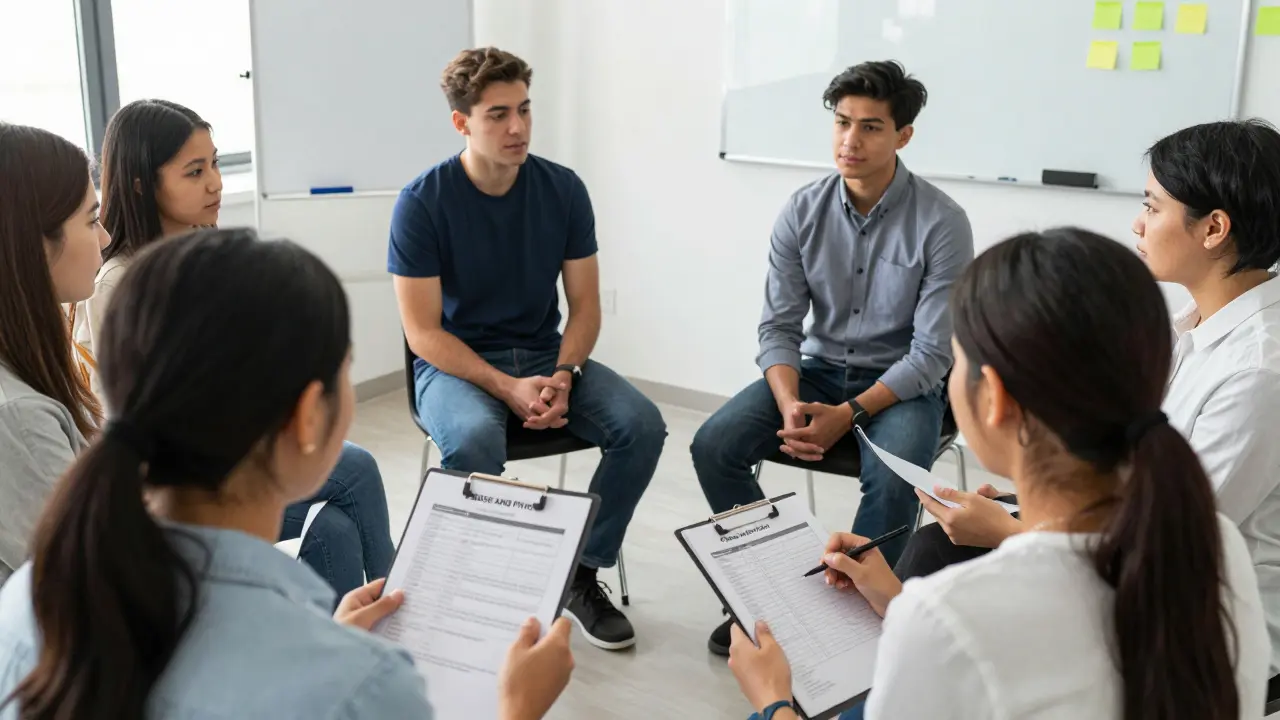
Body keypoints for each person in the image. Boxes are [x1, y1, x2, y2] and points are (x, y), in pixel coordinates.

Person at [0, 229, 576, 719]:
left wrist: (331, 648)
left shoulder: (29, 599)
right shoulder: (363, 691)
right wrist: (517, 710)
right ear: (306, 418)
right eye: (345, 370)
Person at [727, 228, 1269, 719]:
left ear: (996, 399)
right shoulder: (1212, 544)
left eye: (956, 360)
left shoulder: (953, 614)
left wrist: (773, 702)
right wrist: (896, 600)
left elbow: (975, 644)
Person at [895, 119, 1280, 695]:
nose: (1137, 223)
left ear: (1214, 228)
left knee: (942, 583)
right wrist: (1034, 506)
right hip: (1133, 550)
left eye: (1152, 206)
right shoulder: (1190, 329)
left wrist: (1013, 531)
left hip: (1193, 615)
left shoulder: (1259, 371)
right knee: (935, 549)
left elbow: (1166, 543)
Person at [690, 60, 973, 655]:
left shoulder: (942, 222)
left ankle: (853, 617)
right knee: (714, 445)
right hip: (817, 372)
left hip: (902, 385)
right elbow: (778, 326)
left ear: (903, 136)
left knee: (894, 477)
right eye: (843, 122)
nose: (850, 140)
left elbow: (930, 355)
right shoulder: (801, 210)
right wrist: (790, 402)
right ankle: (773, 595)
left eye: (871, 127)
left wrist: (848, 414)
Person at [389, 47, 666, 651]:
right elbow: (423, 334)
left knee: (642, 426)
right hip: (456, 365)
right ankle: (471, 588)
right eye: (497, 114)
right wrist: (505, 386)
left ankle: (578, 573)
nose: (517, 127)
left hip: (545, 356)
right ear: (462, 122)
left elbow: (585, 307)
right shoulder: (421, 202)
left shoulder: (562, 189)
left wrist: (565, 373)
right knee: (473, 439)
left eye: (524, 109)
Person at [72, 99, 394, 599]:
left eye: (215, 164)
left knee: (335, 531)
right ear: (140, 184)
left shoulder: (203, 252)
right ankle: (408, 620)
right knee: (355, 470)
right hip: (179, 488)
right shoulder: (120, 283)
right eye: (195, 171)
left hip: (230, 457)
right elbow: (146, 417)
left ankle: (351, 633)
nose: (216, 184)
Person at [0, 123, 109, 585]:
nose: (105, 238)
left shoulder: (27, 364)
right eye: (91, 220)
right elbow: (96, 583)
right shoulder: (17, 417)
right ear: (37, 243)